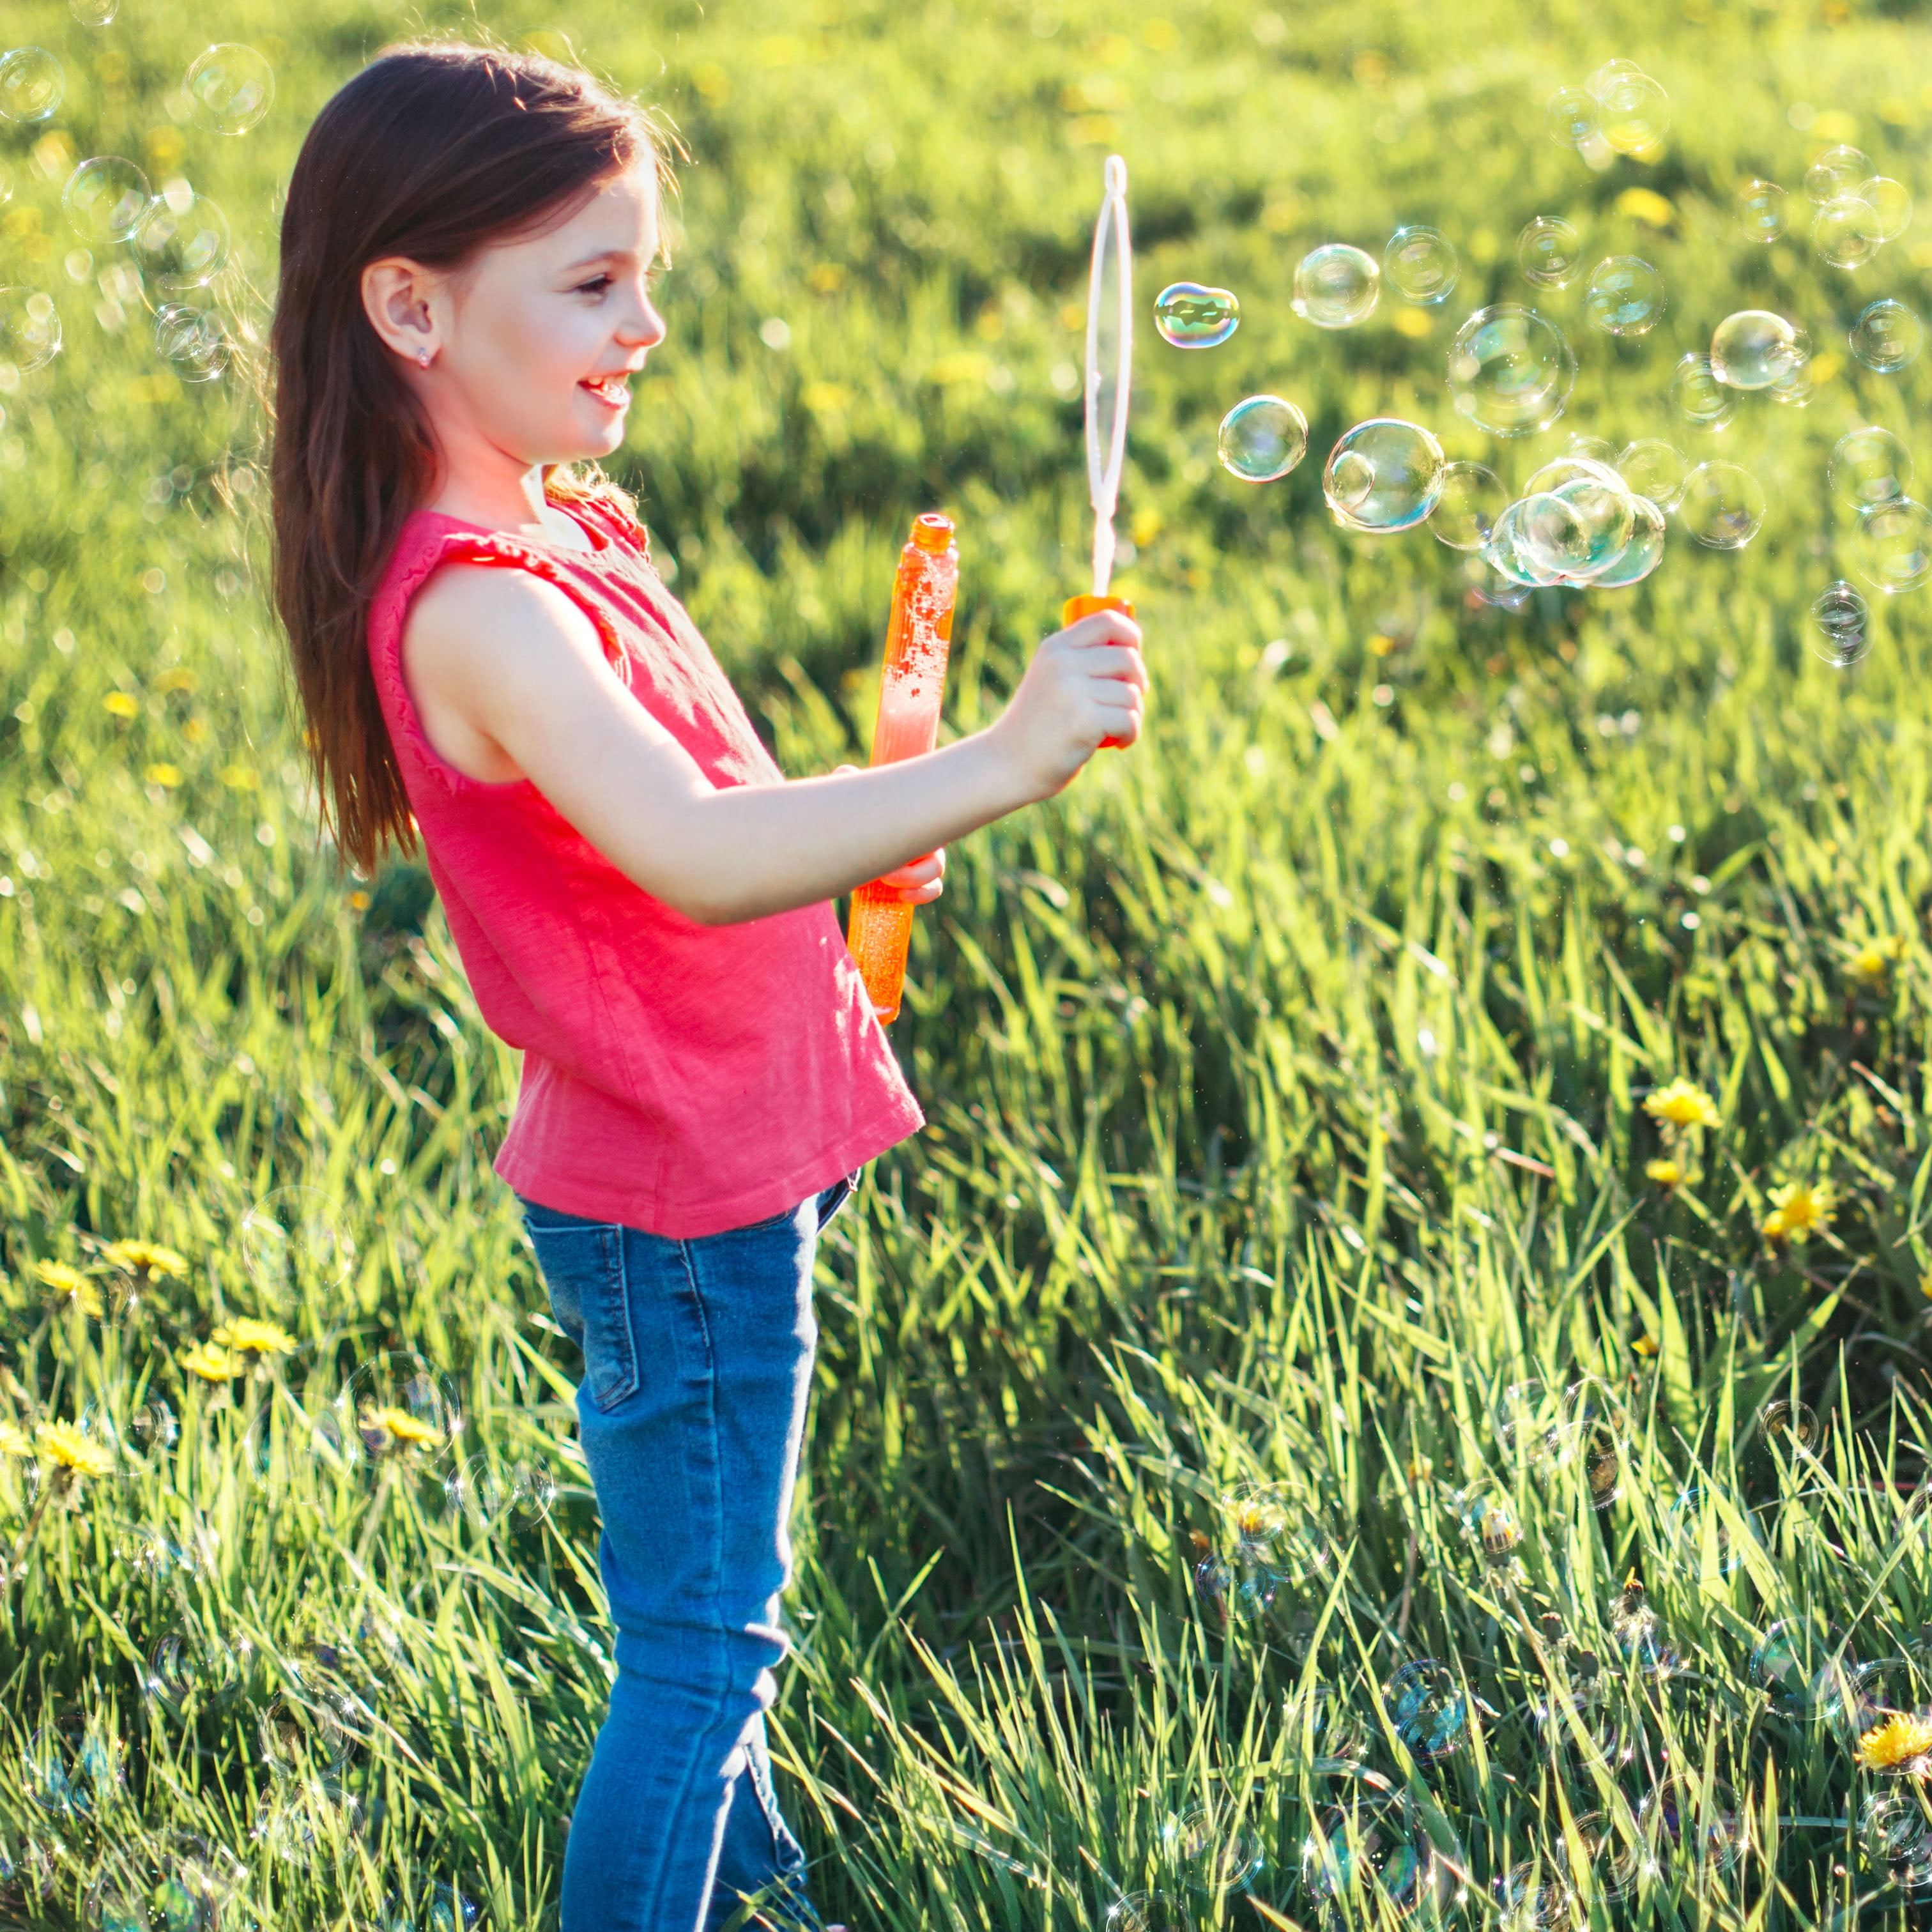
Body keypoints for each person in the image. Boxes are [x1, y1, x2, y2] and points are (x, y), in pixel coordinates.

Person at [268, 37, 1147, 1932]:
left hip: (716, 1159)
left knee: (721, 1619)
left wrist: (871, 826)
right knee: (699, 1657)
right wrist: (999, 761)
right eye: (592, 282)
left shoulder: (557, 533)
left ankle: (753, 1890)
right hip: (677, 1204)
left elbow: (714, 820)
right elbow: (685, 850)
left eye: (644, 273)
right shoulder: (481, 603)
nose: (646, 322)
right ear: (410, 306)